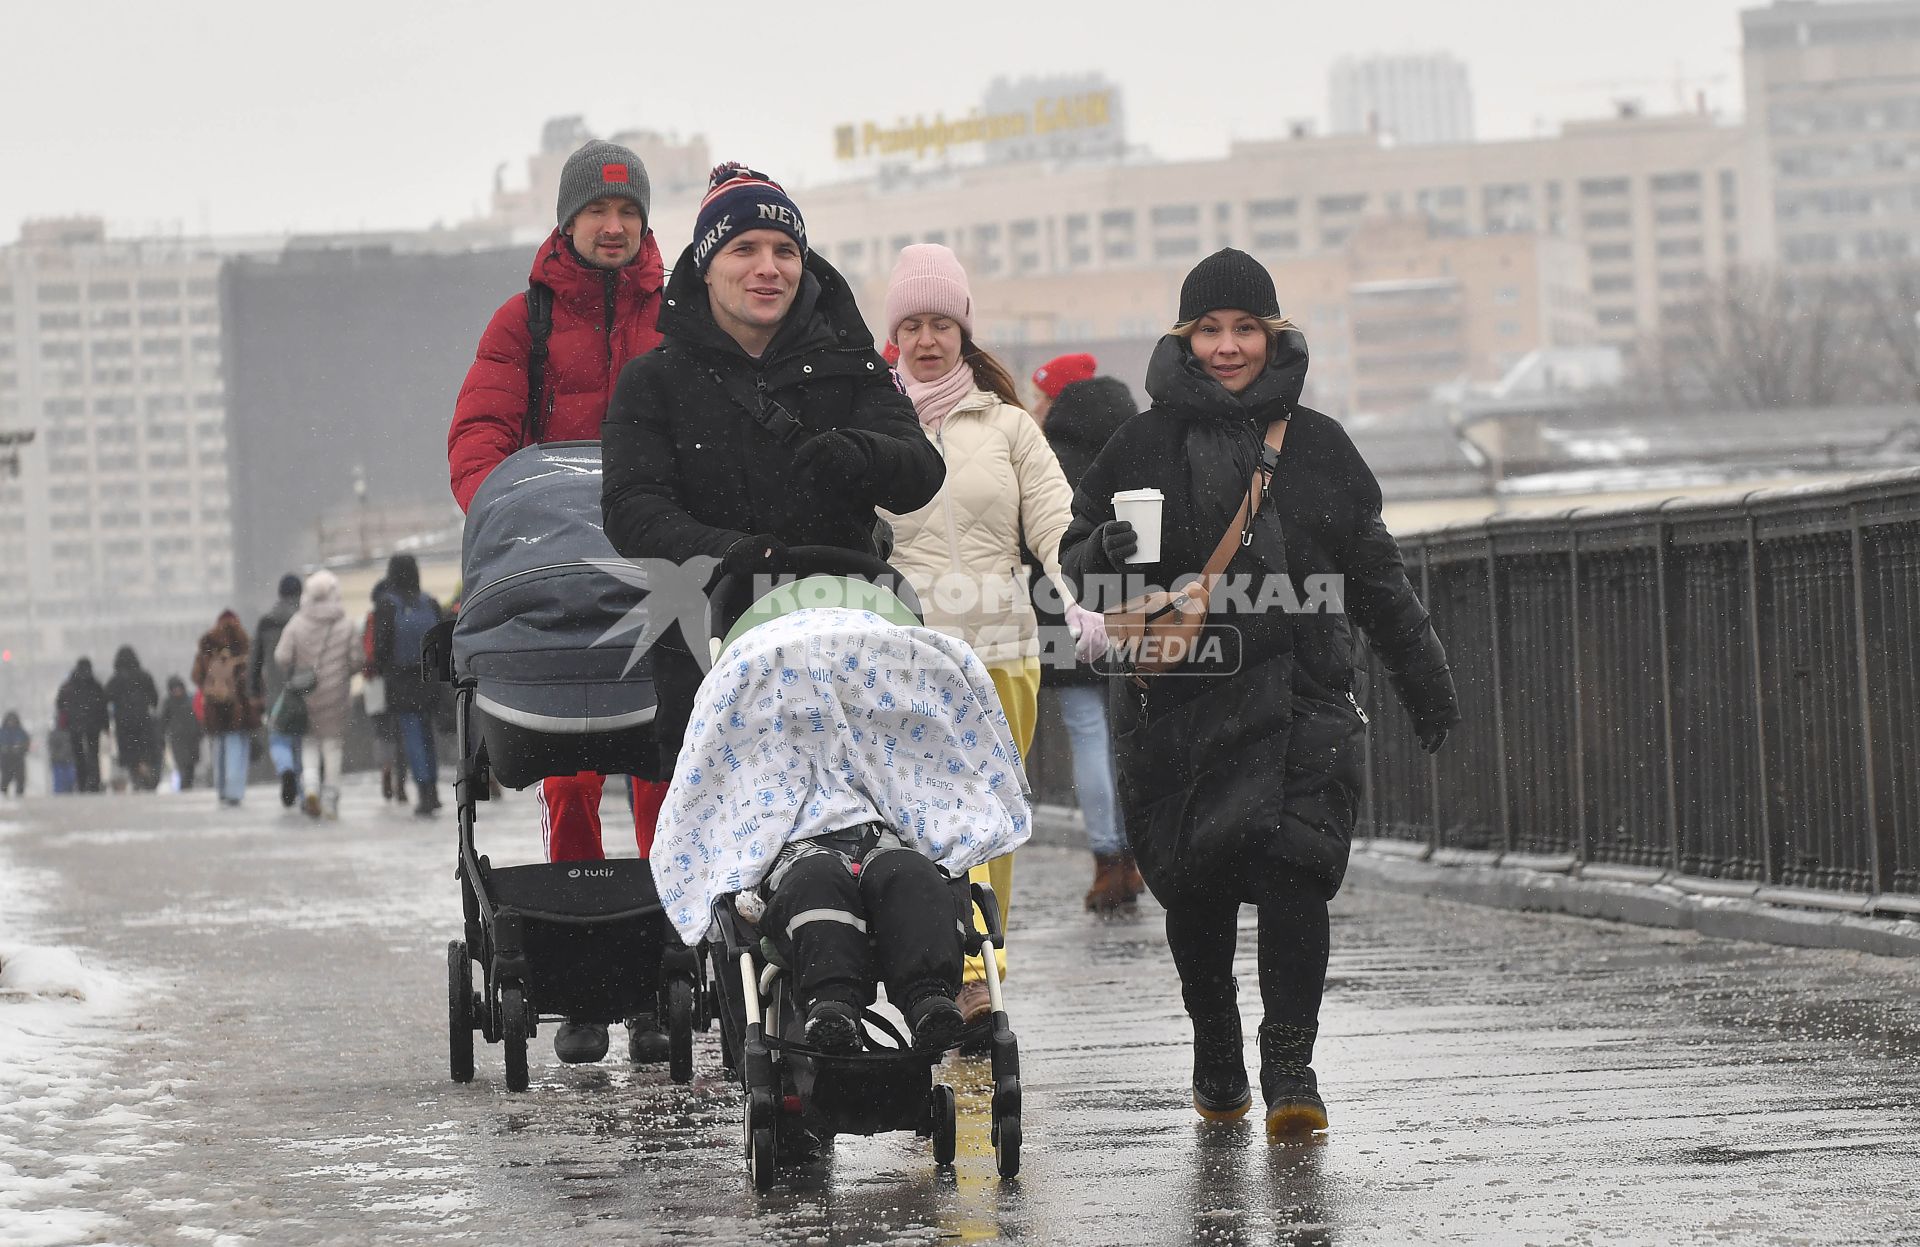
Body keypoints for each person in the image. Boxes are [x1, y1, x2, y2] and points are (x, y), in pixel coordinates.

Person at [1060, 249, 1460, 1138]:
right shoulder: (1142, 442)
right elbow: (1075, 564)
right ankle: (1216, 1049)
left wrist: (1423, 677)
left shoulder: (1319, 446)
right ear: (1186, 337)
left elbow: (1378, 577)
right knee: (1195, 896)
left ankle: (1291, 1067)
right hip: (1179, 709)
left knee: (1295, 880)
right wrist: (1110, 553)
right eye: (1212, 329)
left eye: (1247, 328)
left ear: (1273, 335)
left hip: (1302, 704)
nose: (1230, 346)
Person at [600, 163, 945, 1068]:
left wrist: (855, 449)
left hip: (842, 625)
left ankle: (912, 969)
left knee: (865, 818)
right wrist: (727, 550)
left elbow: (919, 470)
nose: (768, 267)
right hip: (716, 632)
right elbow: (633, 511)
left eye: (785, 249)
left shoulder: (846, 363)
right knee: (753, 834)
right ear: (706, 266)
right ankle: (752, 976)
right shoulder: (656, 381)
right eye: (745, 248)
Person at [876, 243, 1096, 1031]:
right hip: (905, 657)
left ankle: (977, 970)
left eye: (942, 323)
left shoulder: (1008, 427)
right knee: (912, 818)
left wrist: (1081, 601)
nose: (928, 339)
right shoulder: (873, 425)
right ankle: (924, 968)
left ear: (964, 333)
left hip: (1001, 651)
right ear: (894, 335)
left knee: (986, 816)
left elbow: (1056, 523)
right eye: (913, 324)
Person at [654, 608, 1031, 1057]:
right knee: (816, 885)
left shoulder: (882, 755)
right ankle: (831, 1003)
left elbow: (922, 774)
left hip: (882, 832)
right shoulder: (767, 752)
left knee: (909, 873)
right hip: (797, 846)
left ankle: (929, 996)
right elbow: (728, 797)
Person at [448, 138, 671, 868]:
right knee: (568, 773)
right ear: (567, 221)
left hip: (658, 566)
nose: (614, 225)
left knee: (666, 768)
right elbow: (479, 437)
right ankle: (579, 914)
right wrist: (514, 522)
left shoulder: (680, 317)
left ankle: (677, 918)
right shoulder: (524, 323)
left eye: (627, 210)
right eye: (598, 210)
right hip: (559, 573)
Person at [1028, 353, 1141, 911]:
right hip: (1133, 612)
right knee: (1134, 737)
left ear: (1061, 400)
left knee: (1090, 737)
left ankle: (1108, 862)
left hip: (1065, 611)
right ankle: (1141, 856)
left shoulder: (1049, 456)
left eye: (1042, 395)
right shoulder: (1134, 445)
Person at [272, 570, 358, 818]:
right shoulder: (346, 624)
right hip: (336, 696)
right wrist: (341, 673)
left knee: (308, 743)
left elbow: (282, 656)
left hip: (306, 693)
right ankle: (330, 799)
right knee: (333, 747)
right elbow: (356, 660)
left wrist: (299, 669)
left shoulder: (297, 623)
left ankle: (310, 788)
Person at [371, 554, 444, 816]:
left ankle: (424, 789)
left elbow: (381, 647)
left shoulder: (387, 605)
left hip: (400, 679)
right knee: (428, 735)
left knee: (412, 733)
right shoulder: (430, 602)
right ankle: (433, 788)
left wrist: (383, 669)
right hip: (429, 676)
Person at [193, 611, 258, 807]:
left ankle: (221, 789)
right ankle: (234, 790)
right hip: (240, 705)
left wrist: (211, 685)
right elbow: (255, 674)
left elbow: (196, 676)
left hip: (215, 705)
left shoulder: (208, 643)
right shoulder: (244, 643)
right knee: (237, 746)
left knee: (219, 747)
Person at [253, 573, 306, 807]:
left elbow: (254, 661)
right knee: (302, 741)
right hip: (304, 689)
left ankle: (285, 770)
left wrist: (254, 690)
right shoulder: (305, 619)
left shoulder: (266, 622)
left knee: (279, 738)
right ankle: (304, 785)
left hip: (276, 692)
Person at [104, 645, 162, 791]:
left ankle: (136, 778)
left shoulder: (115, 680)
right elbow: (154, 698)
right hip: (143, 719)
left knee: (130, 752)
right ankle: (145, 770)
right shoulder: (144, 676)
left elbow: (106, 698)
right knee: (144, 750)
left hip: (124, 722)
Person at [55, 658, 110, 793]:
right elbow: (103, 707)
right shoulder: (95, 685)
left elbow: (60, 704)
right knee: (93, 754)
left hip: (75, 726)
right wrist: (105, 725)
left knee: (78, 755)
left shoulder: (69, 686)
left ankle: (81, 783)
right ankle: (94, 783)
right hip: (93, 726)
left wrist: (67, 720)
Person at [159, 676, 201, 790]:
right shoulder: (168, 703)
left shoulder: (190, 699)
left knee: (191, 764)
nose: (177, 691)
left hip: (192, 737)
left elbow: (198, 716)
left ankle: (188, 784)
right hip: (177, 738)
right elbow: (163, 721)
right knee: (182, 763)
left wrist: (200, 731)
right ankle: (184, 785)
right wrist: (161, 735)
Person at [0, 711, 27, 796]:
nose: (11, 722)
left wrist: (20, 749)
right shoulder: (3, 731)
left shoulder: (21, 732)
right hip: (6, 759)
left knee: (20, 779)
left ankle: (19, 795)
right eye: (9, 720)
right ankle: (4, 795)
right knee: (5, 778)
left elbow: (26, 743)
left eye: (13, 720)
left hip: (18, 759)